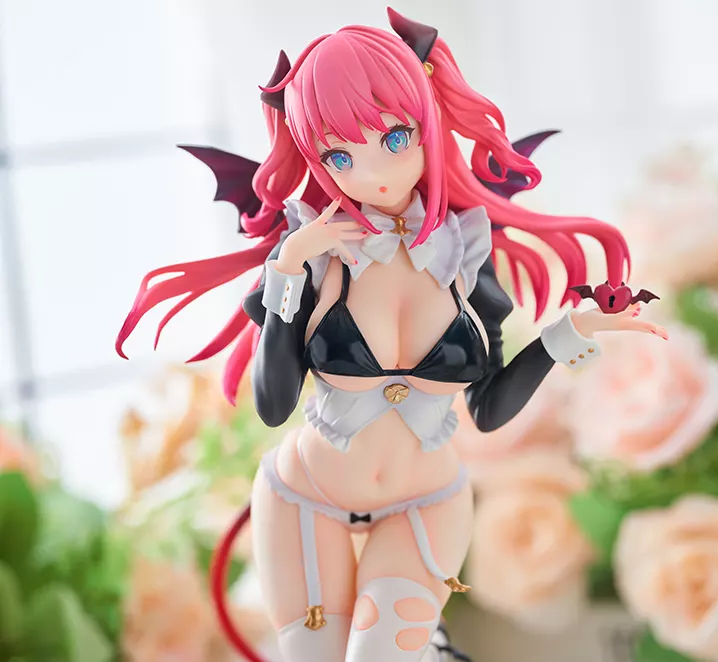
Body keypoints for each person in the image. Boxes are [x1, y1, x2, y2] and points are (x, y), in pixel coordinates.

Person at [117, 8, 664, 662]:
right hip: (306, 500)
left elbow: (488, 409)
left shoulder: (464, 247)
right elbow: (273, 404)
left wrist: (569, 333)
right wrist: (287, 267)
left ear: (427, 122)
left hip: (425, 504)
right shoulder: (314, 248)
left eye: (396, 137)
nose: (372, 170)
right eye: (340, 154)